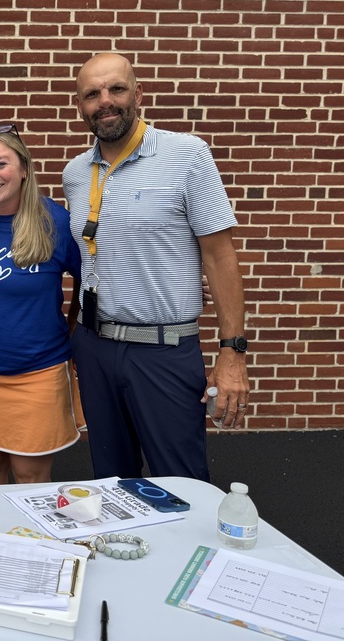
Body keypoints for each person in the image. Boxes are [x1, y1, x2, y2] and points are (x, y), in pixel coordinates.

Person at [62, 52, 249, 482]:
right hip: (95, 346)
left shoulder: (186, 155)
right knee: (112, 481)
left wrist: (232, 352)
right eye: (92, 94)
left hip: (162, 350)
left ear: (138, 94)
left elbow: (220, 256)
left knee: (181, 483)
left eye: (116, 89)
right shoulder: (75, 172)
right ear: (80, 107)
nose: (104, 101)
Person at [0, 124, 84, 485]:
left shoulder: (55, 221)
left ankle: (31, 542)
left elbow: (94, 278)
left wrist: (180, 277)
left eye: (0, 164)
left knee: (30, 474)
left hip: (38, 371)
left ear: (24, 168)